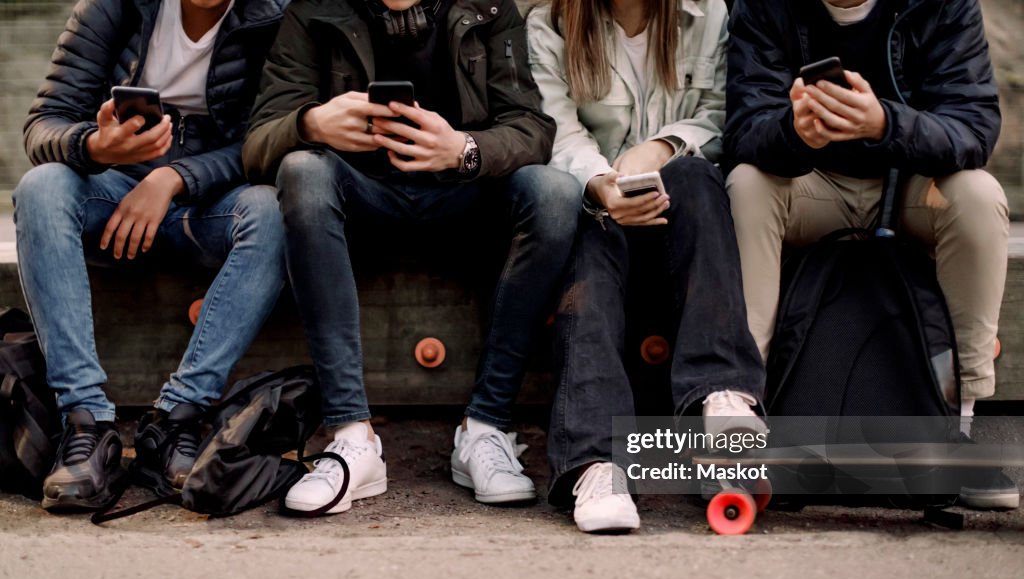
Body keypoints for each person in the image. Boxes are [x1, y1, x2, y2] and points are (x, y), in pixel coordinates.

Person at [242, 0, 581, 514]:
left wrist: (463, 149)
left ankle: (485, 428)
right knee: (302, 172)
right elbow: (258, 144)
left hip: (466, 199)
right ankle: (353, 437)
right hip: (360, 202)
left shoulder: (487, 9)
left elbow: (532, 129)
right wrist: (311, 124)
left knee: (554, 192)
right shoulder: (313, 11)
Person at [725, 0, 1017, 510]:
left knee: (978, 195)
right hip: (809, 184)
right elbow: (744, 130)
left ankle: (958, 428)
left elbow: (973, 131)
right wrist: (795, 132)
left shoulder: (944, 4)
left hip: (911, 186)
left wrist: (885, 124)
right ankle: (749, 424)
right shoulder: (764, 5)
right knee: (745, 185)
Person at [14, 0, 288, 512]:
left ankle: (176, 419)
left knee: (273, 210)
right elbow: (43, 125)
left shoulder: (274, 15)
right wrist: (96, 148)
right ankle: (86, 423)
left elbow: (273, 135)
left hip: (213, 202)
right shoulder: (112, 7)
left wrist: (175, 177)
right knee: (40, 189)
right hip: (113, 192)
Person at [527, 0, 767, 533]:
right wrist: (603, 186)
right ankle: (596, 462)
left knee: (698, 180)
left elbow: (723, 114)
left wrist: (661, 148)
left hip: (684, 226)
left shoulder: (708, 15)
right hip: (600, 211)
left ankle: (723, 400)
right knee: (584, 229)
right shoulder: (550, 24)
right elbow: (555, 129)